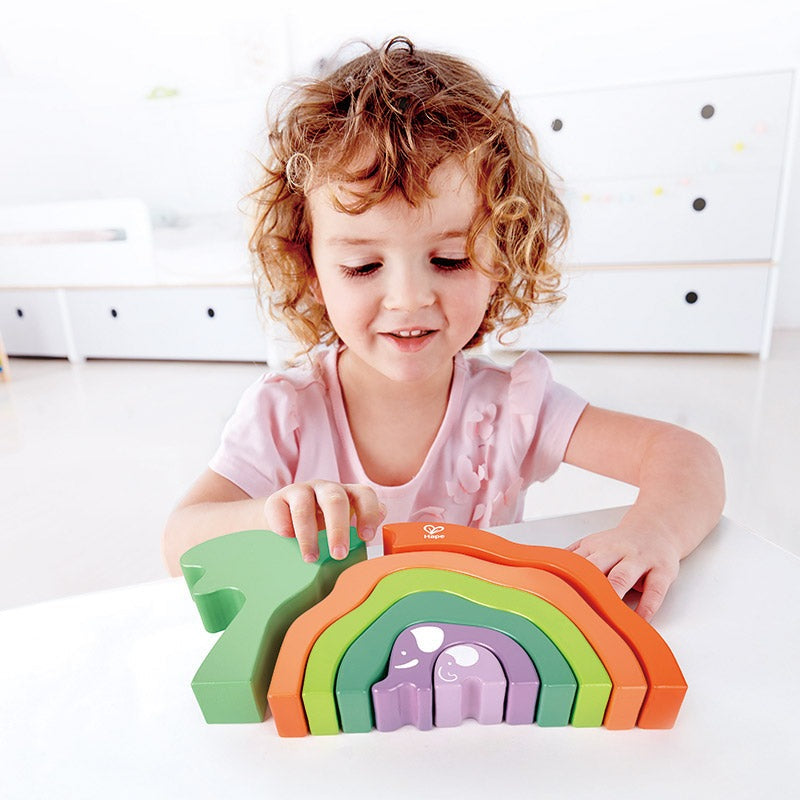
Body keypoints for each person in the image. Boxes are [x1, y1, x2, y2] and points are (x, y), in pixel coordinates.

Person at [162, 36, 724, 621]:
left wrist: (652, 532)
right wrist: (269, 515)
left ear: (502, 254)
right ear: (310, 267)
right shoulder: (287, 414)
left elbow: (685, 455)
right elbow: (179, 543)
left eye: (450, 259)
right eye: (363, 266)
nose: (408, 299)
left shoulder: (513, 409)